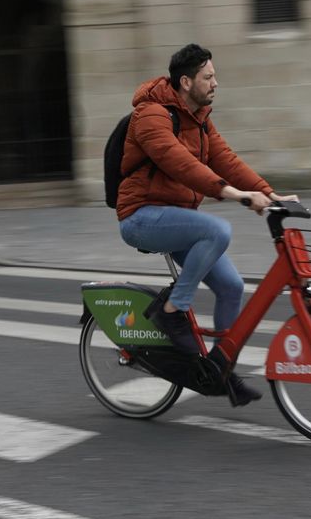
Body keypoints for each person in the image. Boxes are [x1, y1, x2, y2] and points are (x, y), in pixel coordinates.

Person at [115, 43, 297, 405]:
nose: (216, 82)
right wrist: (233, 195)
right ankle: (172, 311)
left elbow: (224, 159)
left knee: (231, 287)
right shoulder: (150, 115)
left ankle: (220, 368)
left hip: (176, 218)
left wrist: (267, 194)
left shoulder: (199, 118)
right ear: (186, 81)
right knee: (218, 230)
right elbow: (180, 163)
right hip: (141, 216)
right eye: (208, 77)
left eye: (214, 75)